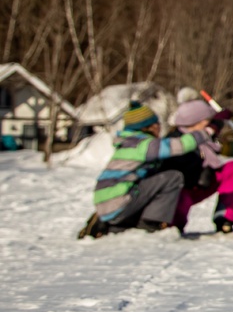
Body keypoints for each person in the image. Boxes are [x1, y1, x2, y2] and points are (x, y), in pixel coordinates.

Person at [83, 101, 199, 238]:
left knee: (147, 183)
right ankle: (151, 223)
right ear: (149, 127)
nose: (160, 128)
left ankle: (112, 226)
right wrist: (200, 136)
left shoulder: (128, 143)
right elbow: (176, 146)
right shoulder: (142, 144)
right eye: (158, 124)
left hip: (106, 204)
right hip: (119, 201)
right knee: (172, 177)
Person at [161, 98, 233, 234]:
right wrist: (200, 168)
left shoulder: (205, 132)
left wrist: (223, 115)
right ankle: (172, 226)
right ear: (196, 122)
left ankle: (224, 218)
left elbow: (215, 125)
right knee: (180, 200)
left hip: (203, 183)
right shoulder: (173, 142)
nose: (210, 123)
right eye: (207, 120)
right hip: (183, 190)